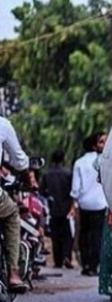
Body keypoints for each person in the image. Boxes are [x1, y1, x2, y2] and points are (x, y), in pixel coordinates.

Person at [0, 117, 37, 293]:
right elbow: (20, 160)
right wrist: (29, 181)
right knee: (12, 214)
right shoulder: (3, 124)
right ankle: (13, 273)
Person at [71, 131, 108, 276]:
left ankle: (85, 264)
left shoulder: (79, 163)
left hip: (84, 204)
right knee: (97, 235)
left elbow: (75, 188)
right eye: (101, 142)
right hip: (100, 203)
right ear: (94, 145)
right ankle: (94, 266)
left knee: (84, 235)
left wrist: (75, 201)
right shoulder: (104, 161)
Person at [40, 150, 75, 269]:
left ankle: (58, 260)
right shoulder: (68, 174)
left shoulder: (46, 175)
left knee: (55, 237)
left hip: (53, 208)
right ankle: (67, 256)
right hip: (66, 208)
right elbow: (72, 191)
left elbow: (41, 192)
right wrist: (72, 206)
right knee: (67, 236)